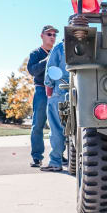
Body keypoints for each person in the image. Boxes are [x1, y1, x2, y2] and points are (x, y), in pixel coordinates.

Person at [26, 25, 57, 167]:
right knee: (38, 125)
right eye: (49, 34)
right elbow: (32, 71)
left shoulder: (59, 53)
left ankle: (58, 155)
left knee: (58, 125)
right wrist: (48, 60)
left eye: (54, 35)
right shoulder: (35, 53)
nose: (52, 37)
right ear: (42, 36)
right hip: (41, 91)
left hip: (58, 91)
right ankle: (37, 157)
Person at [40, 39, 69, 172]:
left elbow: (50, 70)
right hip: (86, 94)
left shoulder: (60, 47)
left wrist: (49, 91)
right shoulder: (95, 43)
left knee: (58, 128)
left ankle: (55, 161)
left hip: (62, 93)